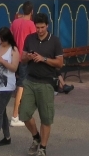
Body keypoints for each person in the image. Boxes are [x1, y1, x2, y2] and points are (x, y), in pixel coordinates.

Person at [19, 13, 63, 156]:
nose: (39, 30)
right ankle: (36, 137)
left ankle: (43, 148)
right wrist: (29, 57)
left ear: (47, 26)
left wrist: (43, 59)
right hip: (30, 80)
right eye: (37, 27)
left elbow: (59, 63)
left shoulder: (54, 41)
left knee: (46, 117)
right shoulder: (30, 39)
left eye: (42, 27)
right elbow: (22, 59)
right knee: (24, 114)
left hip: (46, 83)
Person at [9, 2, 37, 127]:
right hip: (25, 57)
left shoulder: (15, 23)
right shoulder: (31, 24)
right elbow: (35, 41)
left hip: (14, 56)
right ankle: (15, 115)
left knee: (18, 84)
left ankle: (18, 113)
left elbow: (9, 36)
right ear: (32, 12)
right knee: (21, 85)